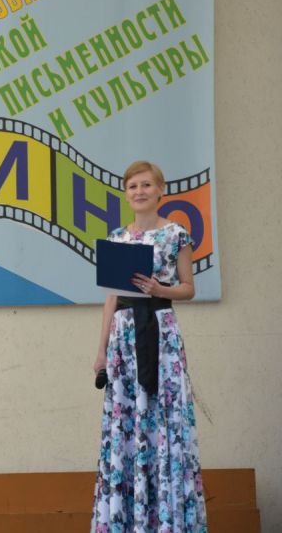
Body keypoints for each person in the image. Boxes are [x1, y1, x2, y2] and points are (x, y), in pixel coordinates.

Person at [90, 160, 207, 532]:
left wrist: (160, 288)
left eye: (145, 185)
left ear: (160, 190)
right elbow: (111, 298)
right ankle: (128, 519)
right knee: (126, 419)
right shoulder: (117, 237)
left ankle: (167, 519)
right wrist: (101, 351)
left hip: (159, 330)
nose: (139, 191)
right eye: (132, 186)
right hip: (124, 336)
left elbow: (188, 288)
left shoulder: (176, 234)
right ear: (126, 194)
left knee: (164, 417)